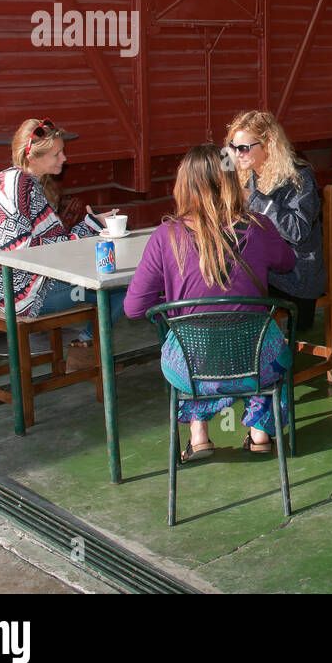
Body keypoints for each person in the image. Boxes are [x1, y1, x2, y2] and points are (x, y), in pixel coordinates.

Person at [123, 145, 296, 461]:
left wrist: (174, 300)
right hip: (255, 363)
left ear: (183, 185)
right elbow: (286, 262)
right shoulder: (258, 226)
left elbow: (134, 308)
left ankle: (199, 436)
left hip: (191, 369)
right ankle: (260, 433)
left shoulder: (166, 236)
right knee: (269, 348)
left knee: (198, 346)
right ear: (232, 181)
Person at [0, 118, 125, 366]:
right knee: (122, 288)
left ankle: (86, 350)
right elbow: (26, 252)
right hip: (26, 296)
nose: (63, 159)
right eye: (56, 154)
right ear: (32, 156)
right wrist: (91, 227)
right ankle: (84, 349)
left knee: (119, 285)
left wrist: (90, 224)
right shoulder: (18, 187)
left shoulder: (12, 181)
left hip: (15, 287)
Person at [224, 110, 326, 333]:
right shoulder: (245, 173)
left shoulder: (299, 176)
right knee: (219, 277)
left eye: (243, 148)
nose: (237, 153)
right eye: (233, 146)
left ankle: (260, 353)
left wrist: (253, 198)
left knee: (234, 287)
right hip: (263, 265)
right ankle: (241, 350)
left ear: (268, 144)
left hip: (295, 273)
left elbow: (298, 231)